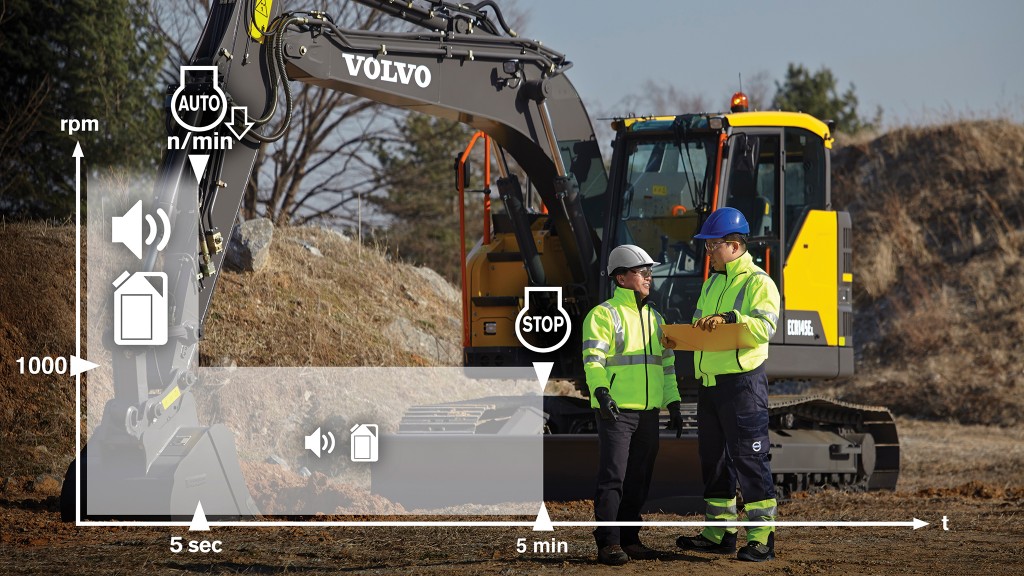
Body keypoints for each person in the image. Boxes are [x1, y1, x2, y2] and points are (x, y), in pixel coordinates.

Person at [674, 207, 781, 562]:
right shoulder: (713, 282)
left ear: (734, 246)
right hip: (710, 384)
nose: (708, 252)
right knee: (715, 459)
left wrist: (732, 318)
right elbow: (700, 325)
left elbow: (764, 327)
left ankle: (762, 537)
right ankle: (720, 532)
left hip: (742, 385)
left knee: (750, 459)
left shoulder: (759, 282)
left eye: (712, 246)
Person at [582, 244, 683, 566]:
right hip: (617, 411)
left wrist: (674, 403)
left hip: (649, 413)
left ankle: (630, 538)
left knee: (639, 476)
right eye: (642, 272)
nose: (648, 278)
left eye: (649, 273)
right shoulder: (603, 315)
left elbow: (667, 367)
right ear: (622, 278)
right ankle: (608, 542)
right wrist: (601, 393)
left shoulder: (657, 319)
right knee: (613, 477)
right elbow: (593, 361)